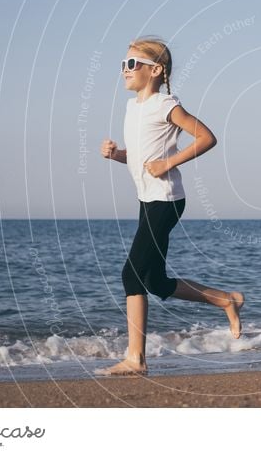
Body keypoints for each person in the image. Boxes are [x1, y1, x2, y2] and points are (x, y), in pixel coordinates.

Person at [98, 36, 244, 376]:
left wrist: (168, 164)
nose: (125, 71)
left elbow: (207, 137)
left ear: (156, 70)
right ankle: (226, 300)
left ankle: (136, 359)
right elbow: (139, 158)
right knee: (156, 282)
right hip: (147, 200)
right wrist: (116, 155)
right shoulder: (133, 107)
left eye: (132, 64)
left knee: (130, 274)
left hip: (165, 201)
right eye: (123, 65)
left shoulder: (166, 105)